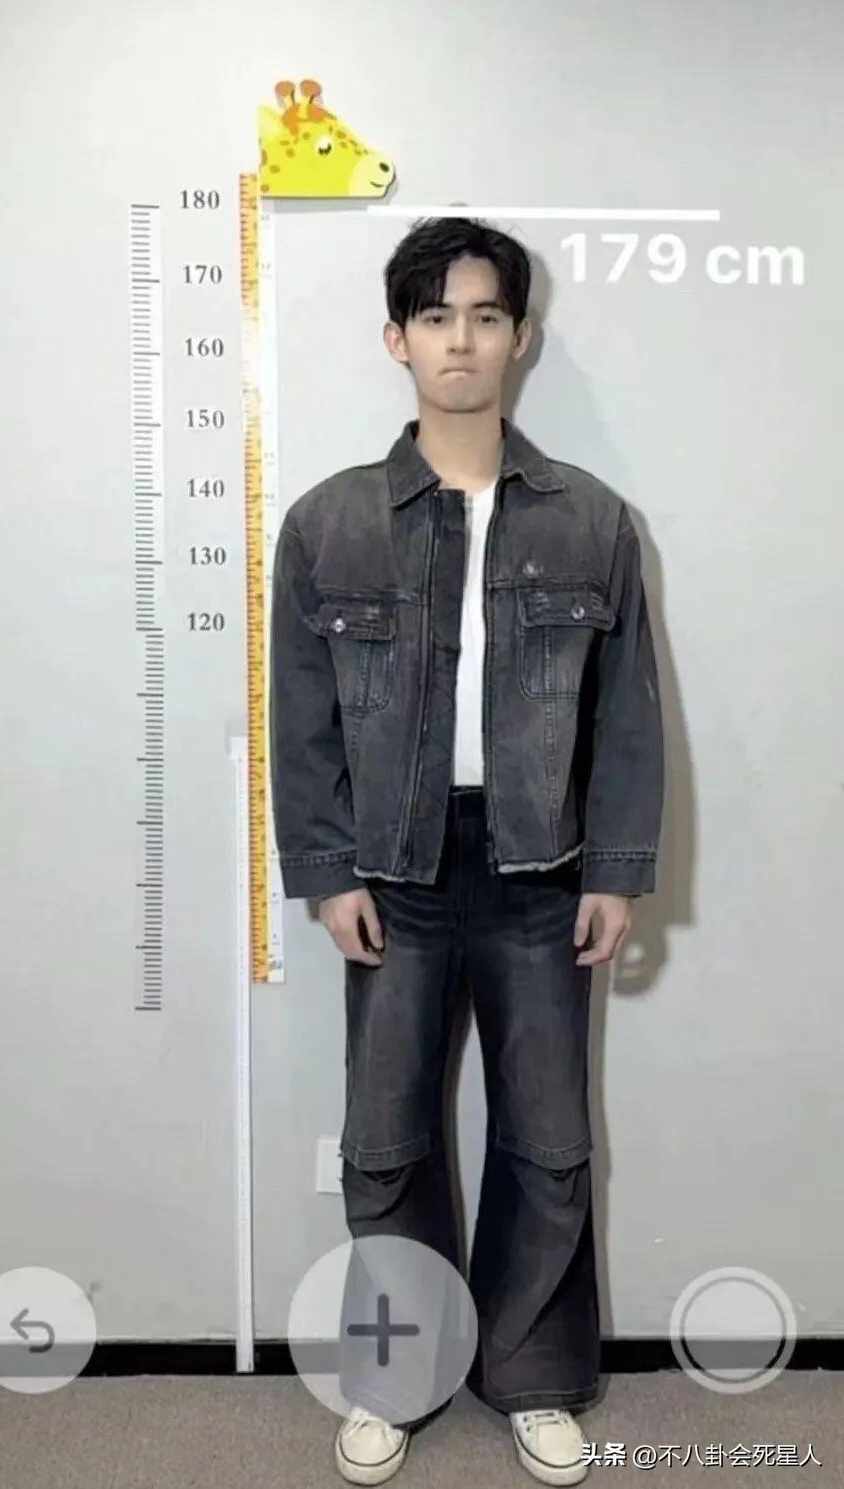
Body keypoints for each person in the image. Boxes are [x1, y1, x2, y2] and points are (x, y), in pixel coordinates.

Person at [268, 216, 665, 1485]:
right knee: (385, 1138)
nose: (461, 340)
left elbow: (625, 716)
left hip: (541, 871)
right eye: (435, 316)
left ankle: (533, 1375)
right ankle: (397, 1375)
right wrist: (327, 870)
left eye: (485, 316)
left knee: (547, 1139)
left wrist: (616, 871)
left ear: (520, 338)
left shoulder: (592, 520)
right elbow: (301, 716)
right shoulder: (328, 522)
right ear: (396, 339)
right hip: (394, 869)